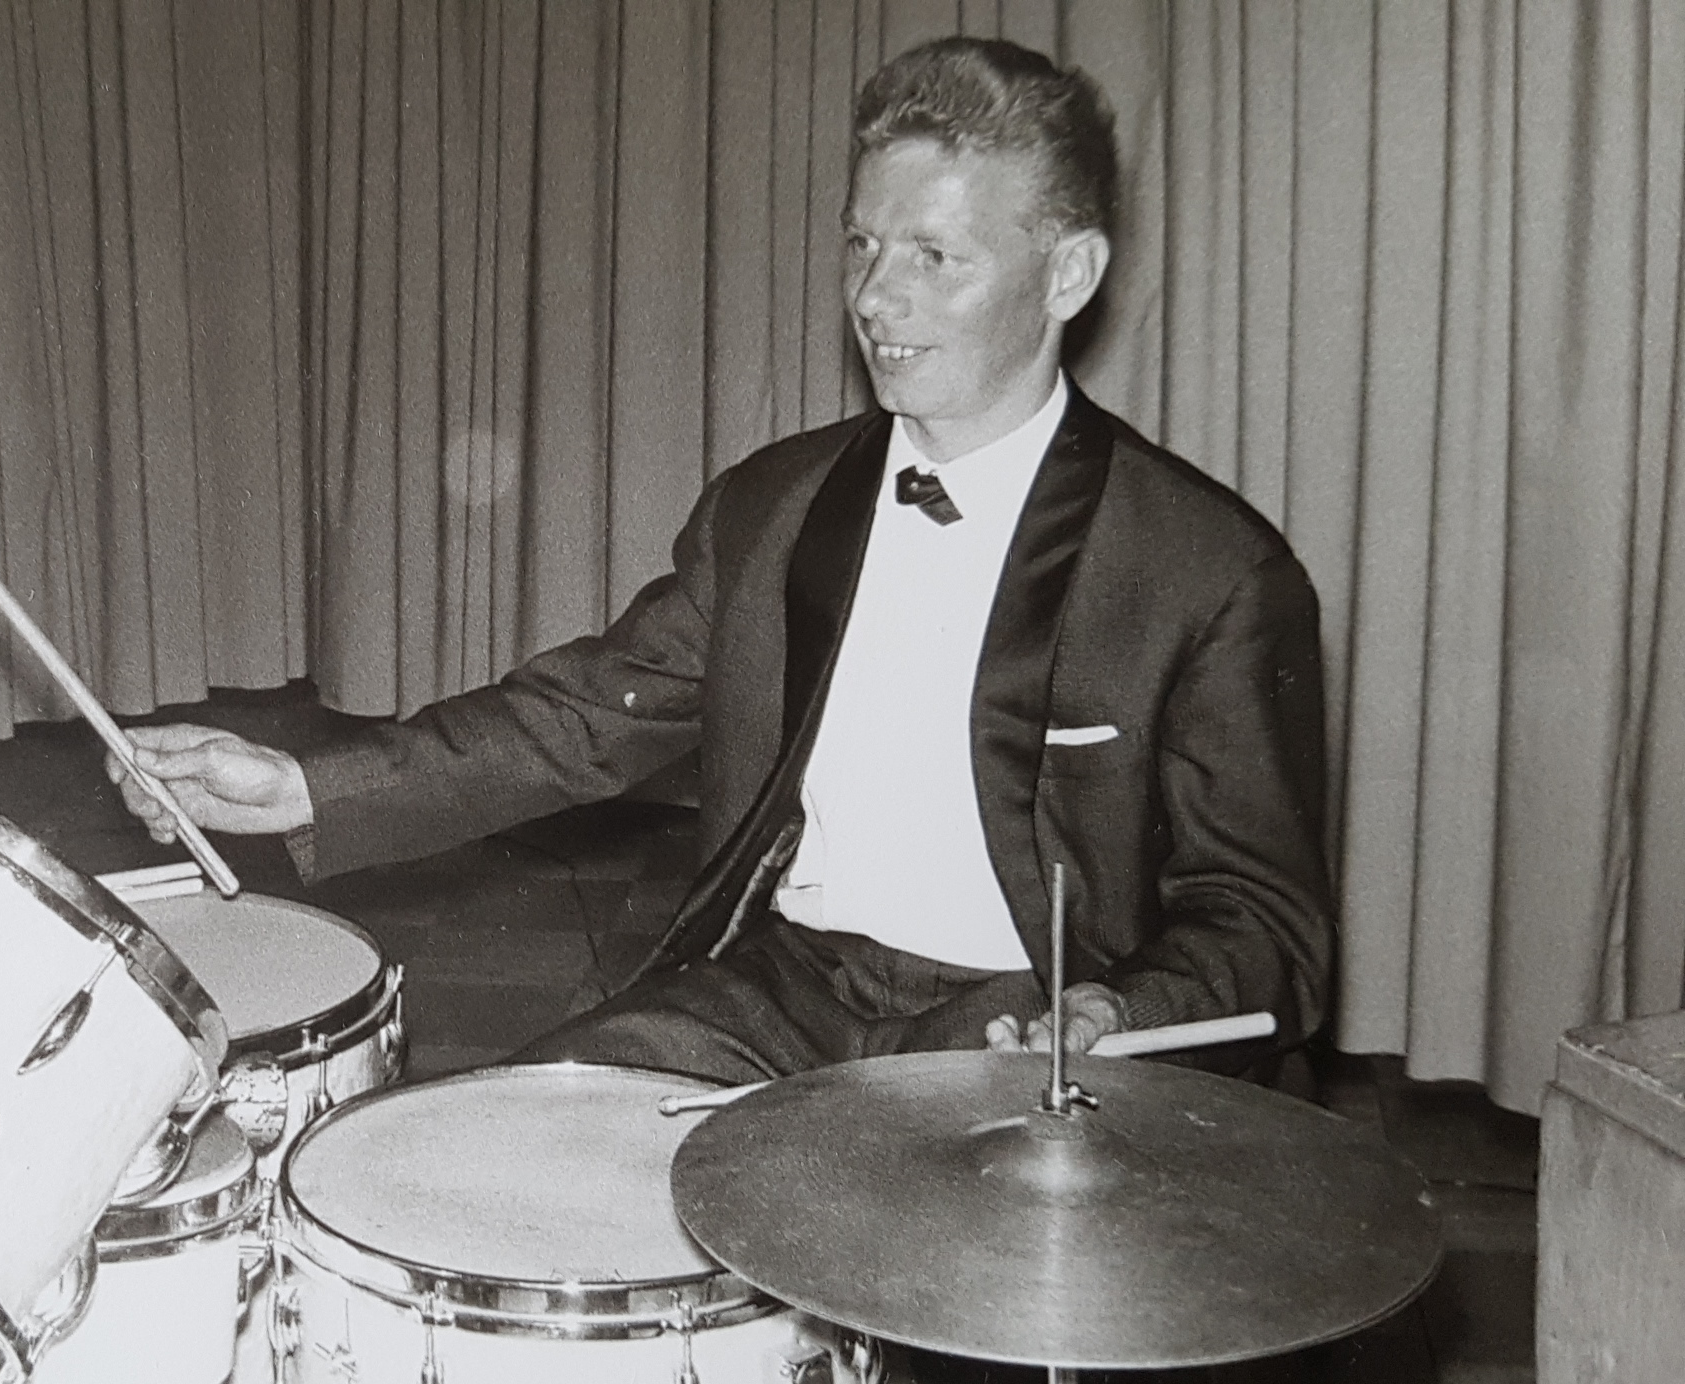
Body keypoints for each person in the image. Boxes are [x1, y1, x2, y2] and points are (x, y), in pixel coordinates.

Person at [111, 36, 1332, 1082]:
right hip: (779, 987)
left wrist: (1120, 1012)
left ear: (1067, 274)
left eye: (933, 258)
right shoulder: (776, 507)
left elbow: (1263, 924)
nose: (875, 297)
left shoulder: (1207, 572)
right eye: (861, 246)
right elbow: (581, 718)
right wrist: (303, 787)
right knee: (504, 1157)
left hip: (1019, 1024)